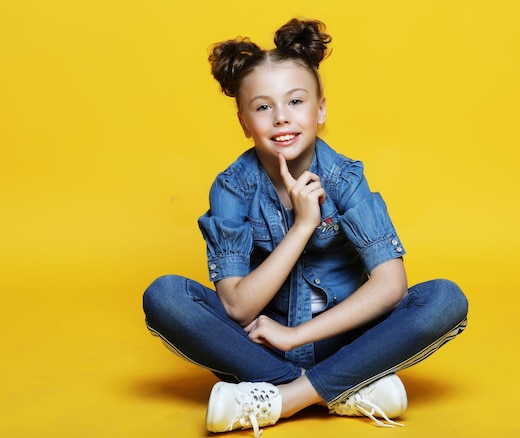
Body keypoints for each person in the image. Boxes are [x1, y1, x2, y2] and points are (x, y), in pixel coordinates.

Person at [143, 18, 468, 438]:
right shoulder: (232, 187)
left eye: (296, 102)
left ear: (320, 109)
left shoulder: (344, 178)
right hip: (259, 344)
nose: (281, 118)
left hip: (347, 340)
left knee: (444, 299)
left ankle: (280, 398)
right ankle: (345, 388)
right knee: (165, 294)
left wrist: (297, 334)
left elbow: (391, 285)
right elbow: (239, 308)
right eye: (263, 107)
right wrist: (302, 225)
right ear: (244, 122)